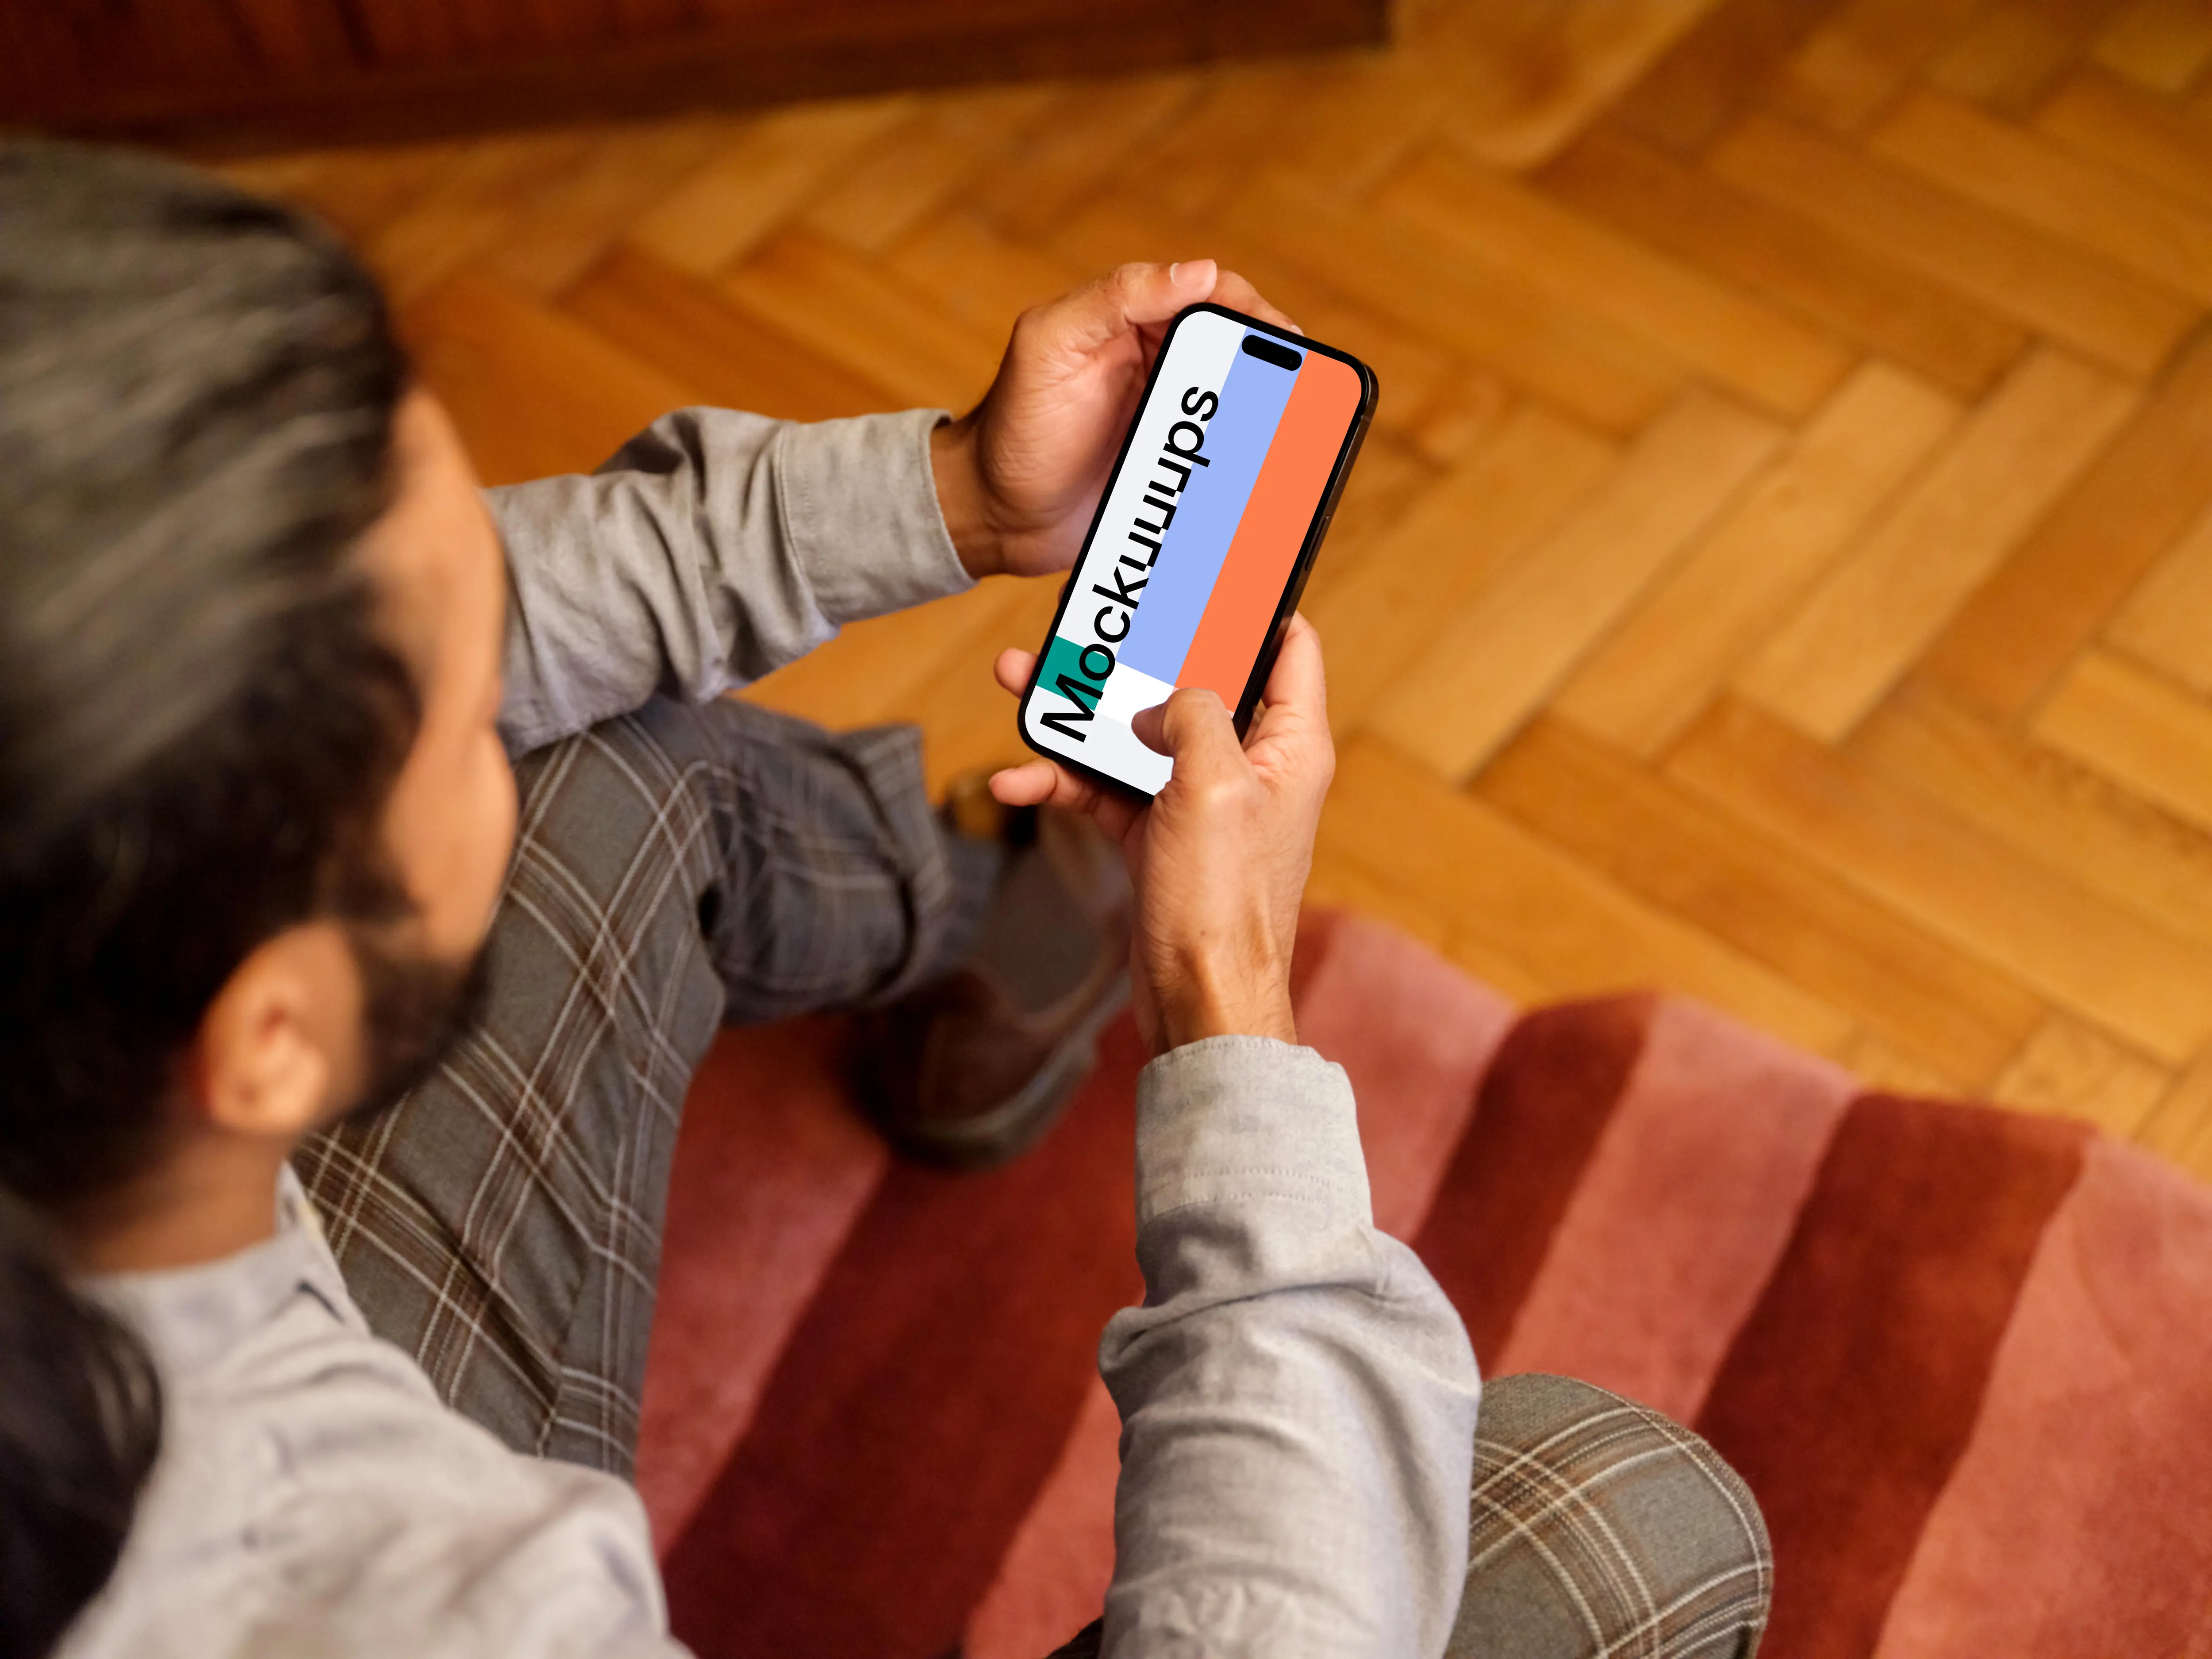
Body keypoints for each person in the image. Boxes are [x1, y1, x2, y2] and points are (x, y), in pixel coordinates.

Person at [0, 139, 1772, 1659]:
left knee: (607, 744)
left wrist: (957, 492)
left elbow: (429, 630)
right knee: (1633, 1519)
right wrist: (1225, 990)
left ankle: (999, 945)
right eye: (458, 718)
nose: (500, 702)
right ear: (268, 1033)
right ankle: (1040, 940)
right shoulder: (449, 1606)